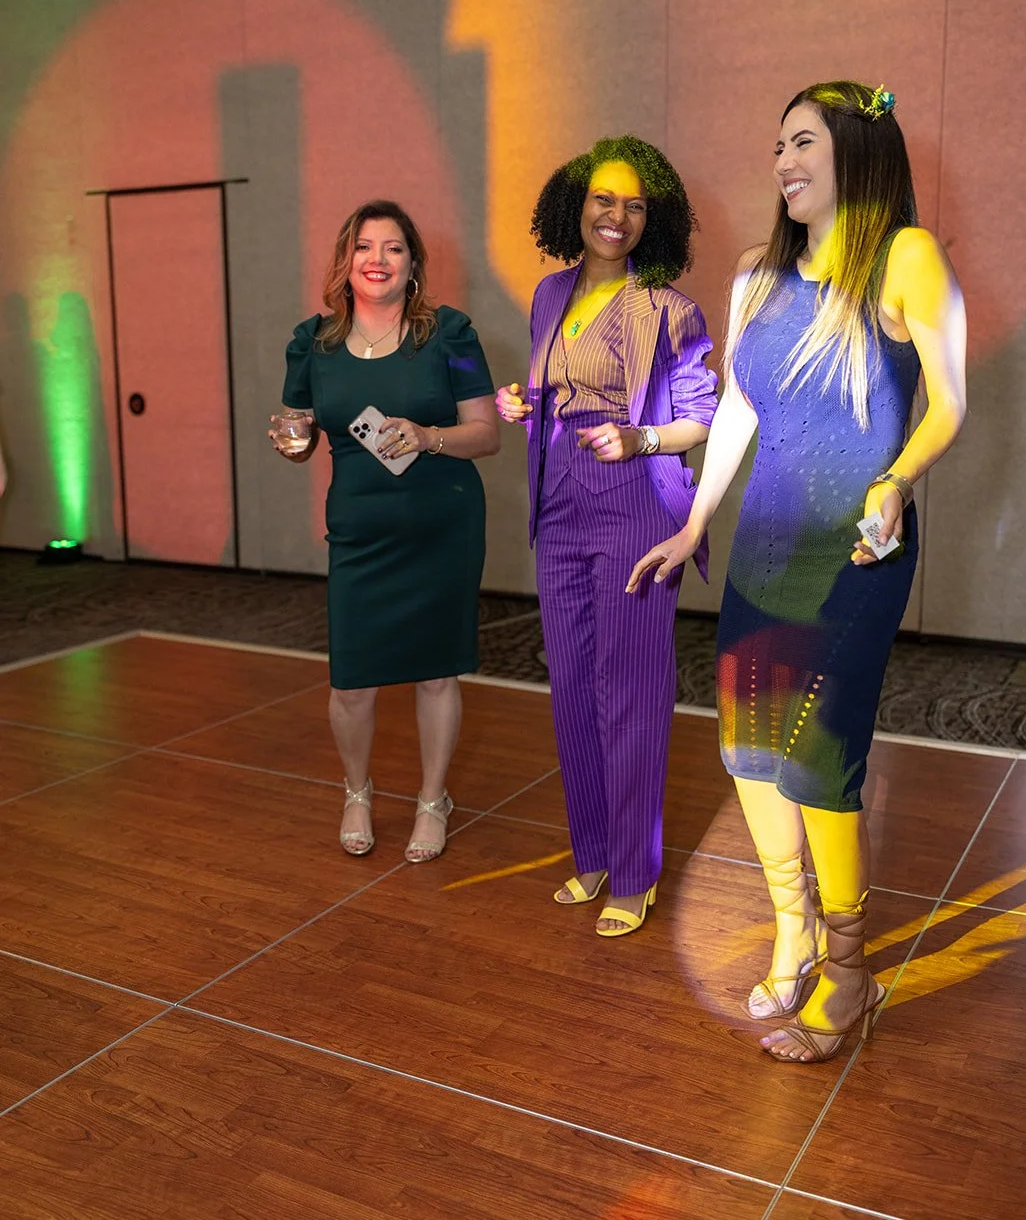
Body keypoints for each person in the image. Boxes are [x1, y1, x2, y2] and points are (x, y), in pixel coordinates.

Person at [630, 82, 967, 1059]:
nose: (781, 160)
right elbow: (739, 409)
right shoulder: (753, 274)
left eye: (803, 142)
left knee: (817, 757)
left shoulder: (905, 258)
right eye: (776, 143)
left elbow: (946, 400)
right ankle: (793, 932)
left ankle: (850, 969)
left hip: (854, 550)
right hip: (763, 546)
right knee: (747, 749)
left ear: (856, 152)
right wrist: (693, 516)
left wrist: (899, 478)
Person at [496, 136, 718, 936]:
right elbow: (551, 383)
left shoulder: (668, 308)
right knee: (571, 687)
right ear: (574, 205)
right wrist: (521, 402)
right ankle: (591, 853)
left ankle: (634, 871)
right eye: (602, 199)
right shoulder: (549, 293)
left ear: (651, 219)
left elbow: (703, 418)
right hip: (557, 500)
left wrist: (641, 438)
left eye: (633, 204)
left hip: (631, 505)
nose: (615, 216)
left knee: (629, 693)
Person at [272, 200, 499, 863]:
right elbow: (297, 428)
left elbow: (484, 434)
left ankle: (433, 799)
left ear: (412, 264)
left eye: (393, 247)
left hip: (442, 523)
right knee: (351, 681)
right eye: (364, 247)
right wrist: (290, 442)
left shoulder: (450, 335)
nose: (377, 259)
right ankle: (357, 790)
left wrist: (428, 436)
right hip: (359, 530)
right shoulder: (311, 343)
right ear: (345, 261)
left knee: (435, 673)